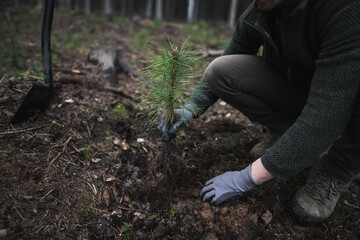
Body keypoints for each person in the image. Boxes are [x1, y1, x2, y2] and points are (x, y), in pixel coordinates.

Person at [158, 0, 360, 225]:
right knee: (220, 71)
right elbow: (234, 51)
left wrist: (246, 178)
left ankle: (336, 171)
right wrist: (190, 108)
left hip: (341, 98)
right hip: (303, 90)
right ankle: (287, 135)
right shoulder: (262, 11)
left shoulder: (344, 10)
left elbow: (325, 115)